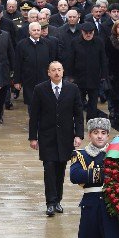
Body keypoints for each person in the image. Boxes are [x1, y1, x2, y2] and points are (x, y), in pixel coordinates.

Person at [28, 61, 84, 216]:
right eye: (53, 70)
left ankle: (58, 200)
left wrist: (78, 135)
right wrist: (33, 137)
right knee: (49, 168)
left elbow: (78, 114)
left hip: (66, 137)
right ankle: (50, 203)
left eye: (59, 70)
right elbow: (34, 116)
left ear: (63, 71)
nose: (56, 73)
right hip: (47, 137)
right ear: (48, 72)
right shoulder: (40, 89)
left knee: (60, 170)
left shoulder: (72, 89)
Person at [69, 22, 107, 122]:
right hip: (79, 77)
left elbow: (103, 59)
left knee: (93, 102)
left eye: (90, 32)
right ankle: (78, 121)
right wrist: (71, 76)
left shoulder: (99, 42)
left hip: (94, 77)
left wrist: (103, 75)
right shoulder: (75, 42)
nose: (88, 34)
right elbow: (71, 59)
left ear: (94, 32)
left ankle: (91, 121)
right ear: (82, 32)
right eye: (86, 32)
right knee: (78, 101)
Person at [14, 22, 54, 108]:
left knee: (45, 103)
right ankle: (33, 121)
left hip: (44, 79)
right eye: (34, 30)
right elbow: (18, 63)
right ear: (29, 31)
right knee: (31, 104)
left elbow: (52, 62)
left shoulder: (48, 44)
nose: (36, 32)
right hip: (29, 80)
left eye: (38, 30)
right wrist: (17, 81)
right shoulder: (21, 45)